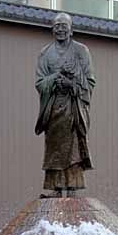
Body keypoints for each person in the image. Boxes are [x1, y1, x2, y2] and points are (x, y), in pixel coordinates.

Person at [35, 12, 95, 196]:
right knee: (54, 148)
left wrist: (72, 83)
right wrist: (54, 79)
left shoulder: (81, 51)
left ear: (71, 30)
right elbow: (39, 83)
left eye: (64, 26)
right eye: (57, 26)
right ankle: (55, 188)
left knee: (74, 149)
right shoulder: (45, 53)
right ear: (52, 30)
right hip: (53, 108)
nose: (60, 29)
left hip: (73, 107)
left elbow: (90, 82)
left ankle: (73, 188)